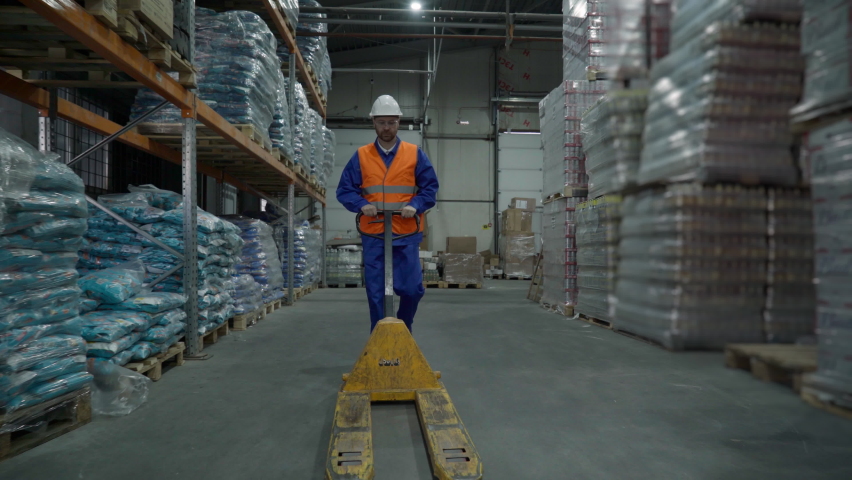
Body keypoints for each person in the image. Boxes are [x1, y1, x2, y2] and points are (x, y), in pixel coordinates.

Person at [336, 95, 439, 333]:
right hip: (374, 233)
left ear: (399, 122)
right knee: (377, 293)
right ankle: (379, 341)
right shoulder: (361, 156)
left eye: (391, 122)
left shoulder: (415, 154)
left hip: (406, 232)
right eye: (381, 122)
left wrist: (415, 204)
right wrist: (362, 204)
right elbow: (345, 190)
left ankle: (403, 328)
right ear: (373, 122)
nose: (386, 128)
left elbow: (430, 188)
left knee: (412, 289)